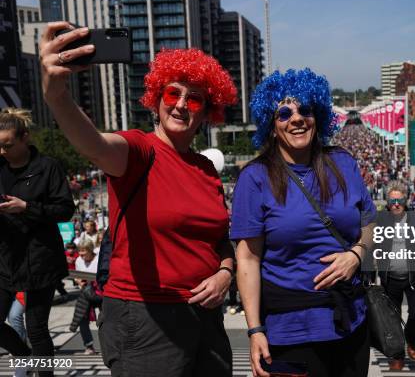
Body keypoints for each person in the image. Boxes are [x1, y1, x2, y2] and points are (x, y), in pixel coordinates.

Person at [40, 22, 237, 376]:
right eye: (171, 94)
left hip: (205, 318)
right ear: (156, 98)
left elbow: (219, 237)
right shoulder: (138, 150)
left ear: (208, 112)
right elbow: (95, 145)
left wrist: (225, 271)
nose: (180, 105)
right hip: (145, 318)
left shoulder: (206, 168)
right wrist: (57, 95)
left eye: (193, 99)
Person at [232, 69, 376, 377]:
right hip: (288, 330)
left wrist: (357, 253)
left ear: (318, 116)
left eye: (305, 110)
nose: (296, 118)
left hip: (350, 323)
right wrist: (255, 329)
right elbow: (247, 258)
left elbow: (369, 221)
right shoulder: (255, 177)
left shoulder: (343, 163)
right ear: (271, 126)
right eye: (284, 113)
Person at [0, 108, 76, 377]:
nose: (2, 151)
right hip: (7, 258)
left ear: (25, 138)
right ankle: (24, 356)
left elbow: (65, 209)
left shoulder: (47, 167)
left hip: (40, 259)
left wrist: (26, 207)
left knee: (36, 327)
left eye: (7, 145)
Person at [375, 183, 415, 370]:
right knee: (392, 321)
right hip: (389, 279)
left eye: (399, 200)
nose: (396, 204)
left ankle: (411, 337)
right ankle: (397, 356)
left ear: (406, 200)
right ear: (387, 202)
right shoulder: (380, 220)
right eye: (392, 201)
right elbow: (370, 249)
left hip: (414, 278)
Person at [69, 240, 100, 355]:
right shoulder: (79, 260)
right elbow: (77, 276)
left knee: (106, 319)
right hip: (86, 292)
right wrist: (78, 281)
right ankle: (89, 346)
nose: (81, 254)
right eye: (79, 251)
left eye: (84, 251)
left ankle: (110, 343)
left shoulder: (98, 259)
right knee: (81, 317)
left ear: (90, 250)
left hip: (100, 292)